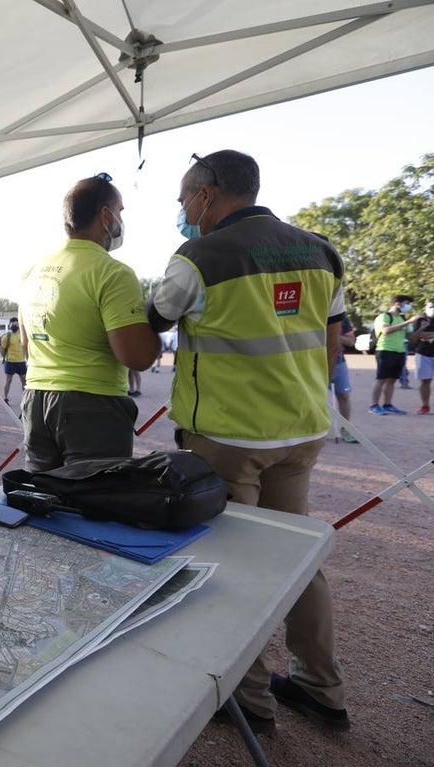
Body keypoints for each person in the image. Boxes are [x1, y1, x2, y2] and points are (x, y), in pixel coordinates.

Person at [148, 150, 349, 733]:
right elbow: (332, 344)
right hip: (302, 429)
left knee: (231, 564)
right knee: (295, 557)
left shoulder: (199, 256)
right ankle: (321, 686)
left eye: (184, 198)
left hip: (229, 437)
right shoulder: (321, 251)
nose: (182, 210)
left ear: (206, 193)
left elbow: (156, 318)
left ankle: (250, 698)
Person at [18, 173, 159, 472]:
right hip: (93, 406)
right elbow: (137, 357)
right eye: (120, 212)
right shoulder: (113, 273)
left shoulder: (34, 271)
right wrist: (157, 321)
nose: (121, 221)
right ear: (105, 215)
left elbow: (26, 343)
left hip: (36, 402)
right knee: (95, 496)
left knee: (40, 494)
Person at [370, 294, 418, 415]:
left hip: (400, 351)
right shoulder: (384, 316)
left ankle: (387, 404)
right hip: (385, 350)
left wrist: (421, 327)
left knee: (392, 379)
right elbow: (386, 330)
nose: (408, 306)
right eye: (407, 303)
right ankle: (374, 405)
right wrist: (408, 322)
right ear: (397, 303)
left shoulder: (402, 318)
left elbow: (411, 337)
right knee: (381, 379)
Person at [331, 316, 359, 442]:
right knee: (314, 397)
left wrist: (333, 335)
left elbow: (351, 341)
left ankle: (345, 429)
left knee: (344, 395)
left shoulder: (341, 317)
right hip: (315, 362)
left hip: (338, 361)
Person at [409, 299, 434, 414]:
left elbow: (424, 336)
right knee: (425, 381)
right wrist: (423, 330)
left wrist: (427, 335)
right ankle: (425, 405)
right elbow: (415, 336)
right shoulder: (420, 320)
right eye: (430, 307)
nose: (432, 309)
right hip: (424, 353)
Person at [0, 317, 27, 403]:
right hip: (10, 362)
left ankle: (25, 398)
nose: (14, 325)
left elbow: (26, 347)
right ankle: (5, 398)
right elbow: (2, 349)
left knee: (24, 381)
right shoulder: (6, 337)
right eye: (13, 323)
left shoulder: (22, 335)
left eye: (16, 323)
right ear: (10, 325)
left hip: (21, 362)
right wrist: (5, 357)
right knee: (9, 380)